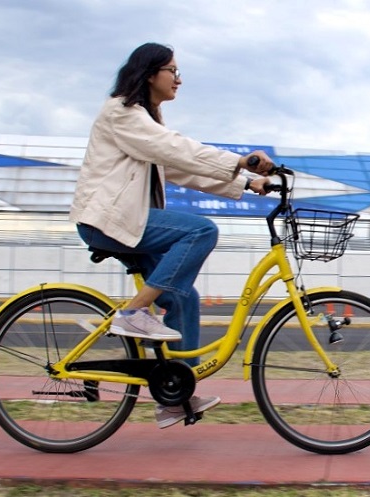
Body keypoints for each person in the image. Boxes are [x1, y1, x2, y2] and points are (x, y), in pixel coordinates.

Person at [69, 42, 274, 429]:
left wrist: (248, 181)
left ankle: (175, 396)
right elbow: (176, 149)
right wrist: (238, 159)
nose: (178, 79)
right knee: (200, 230)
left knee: (184, 298)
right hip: (107, 221)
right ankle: (134, 312)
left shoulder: (144, 121)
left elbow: (182, 169)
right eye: (173, 71)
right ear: (150, 74)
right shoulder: (123, 113)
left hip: (127, 222)